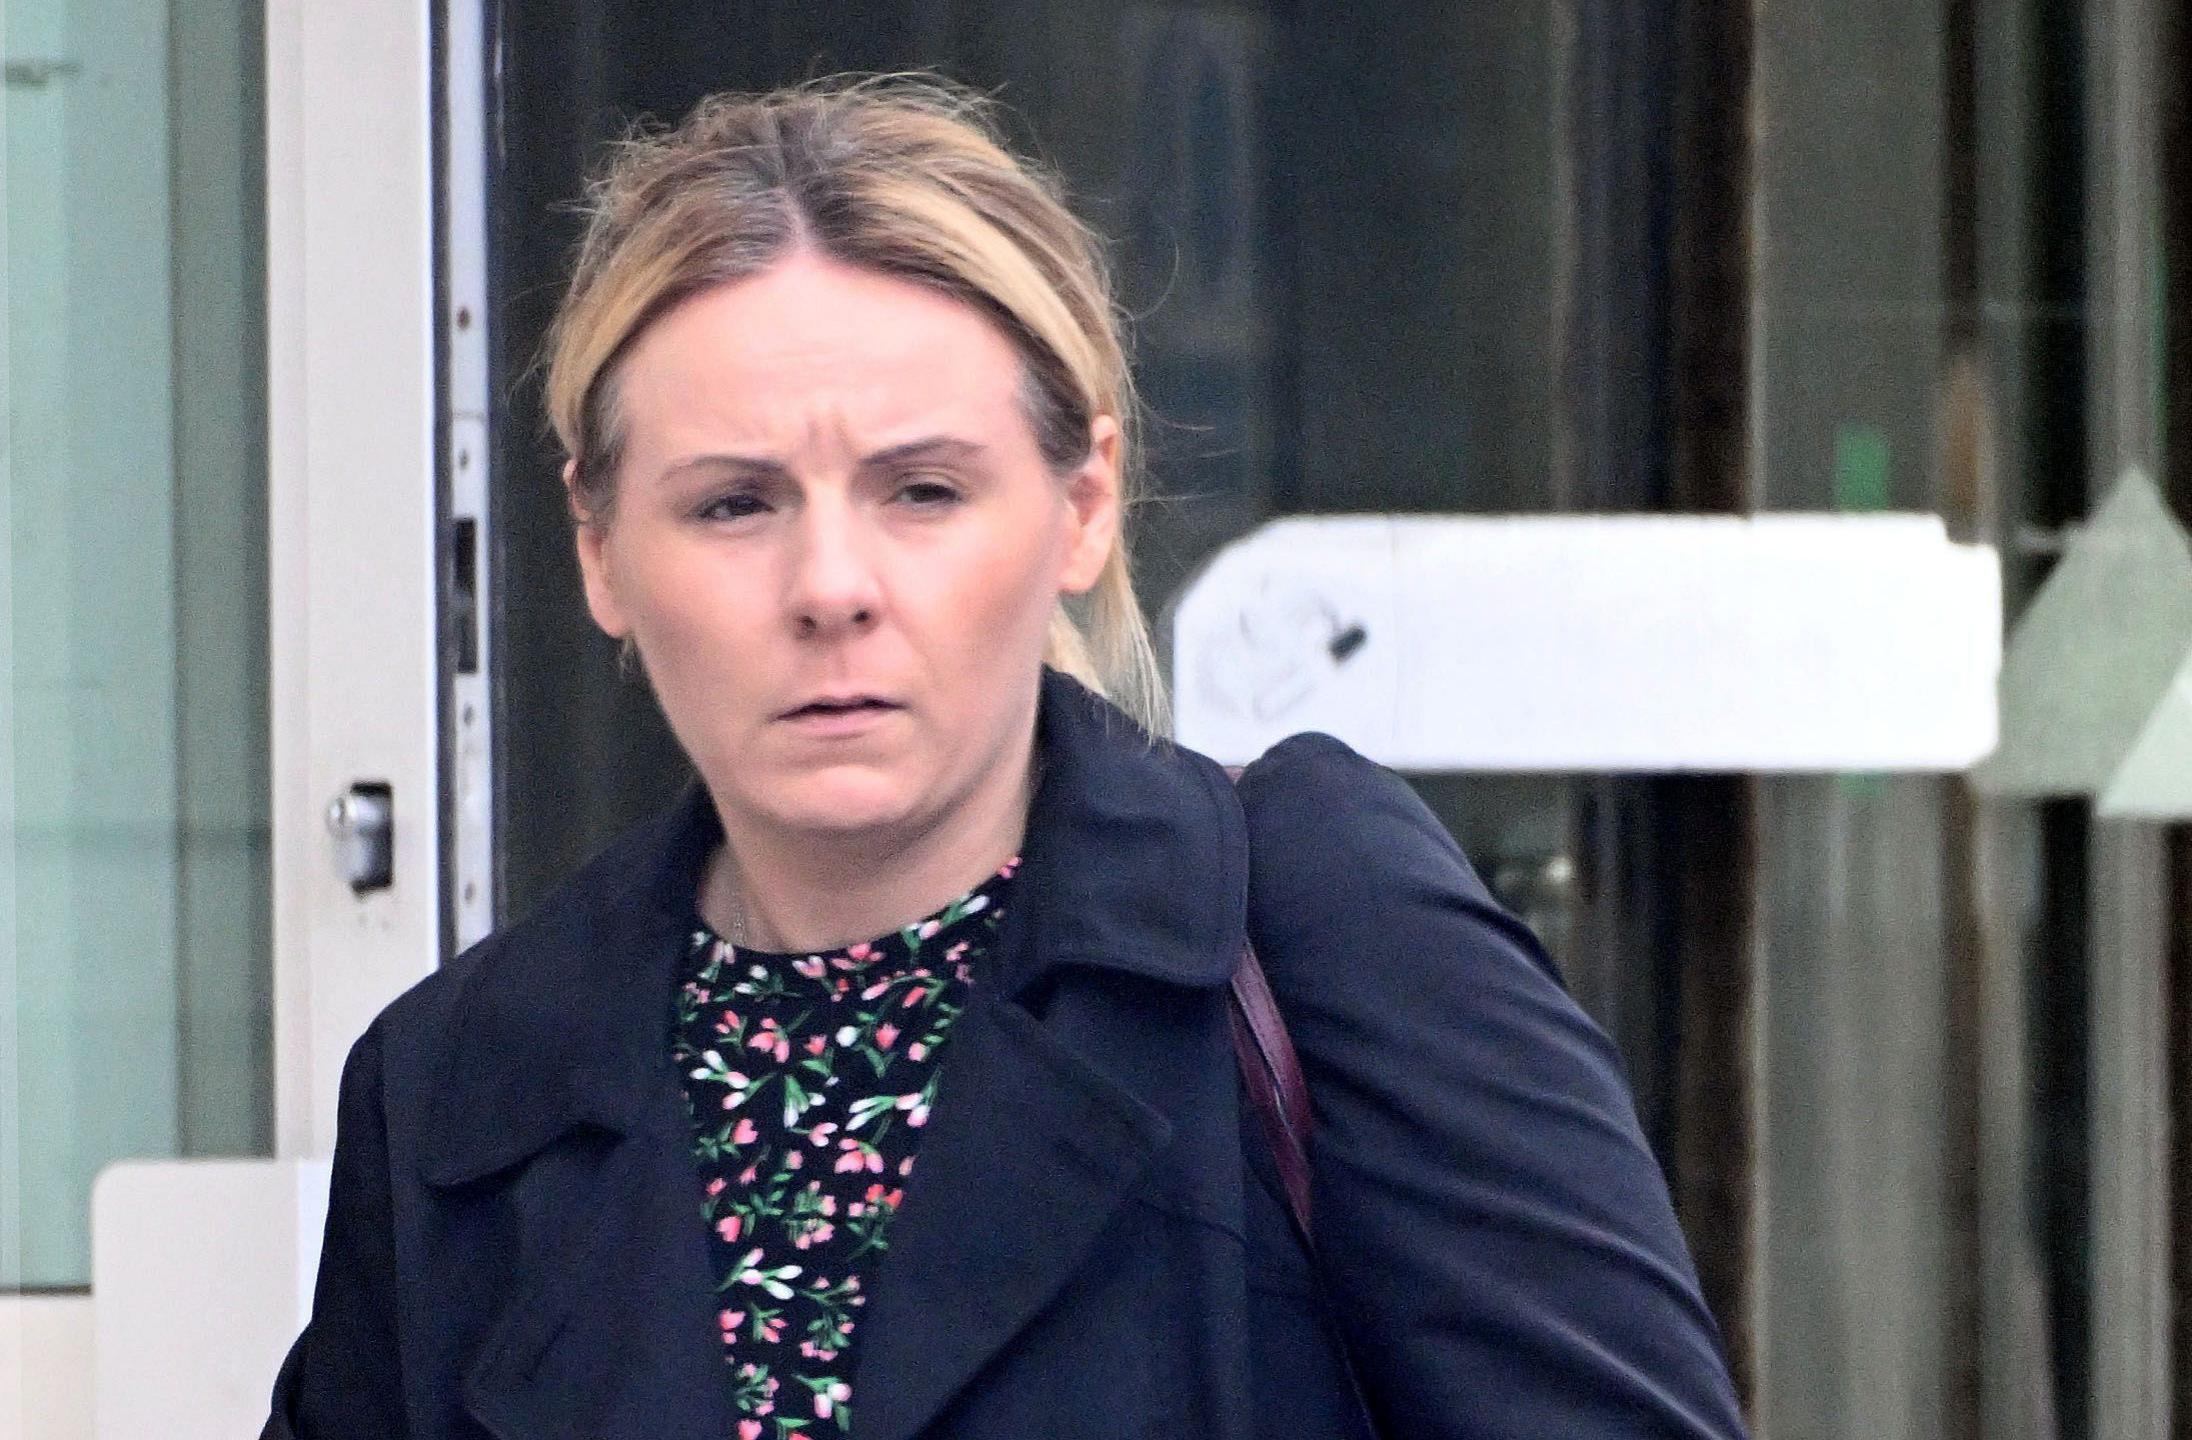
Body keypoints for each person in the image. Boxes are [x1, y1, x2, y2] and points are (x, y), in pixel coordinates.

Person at [264, 74, 1749, 1440]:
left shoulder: (1310, 923)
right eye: (733, 505)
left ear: (1081, 507)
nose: (830, 585)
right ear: (599, 550)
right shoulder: (458, 1082)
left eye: (921, 490)